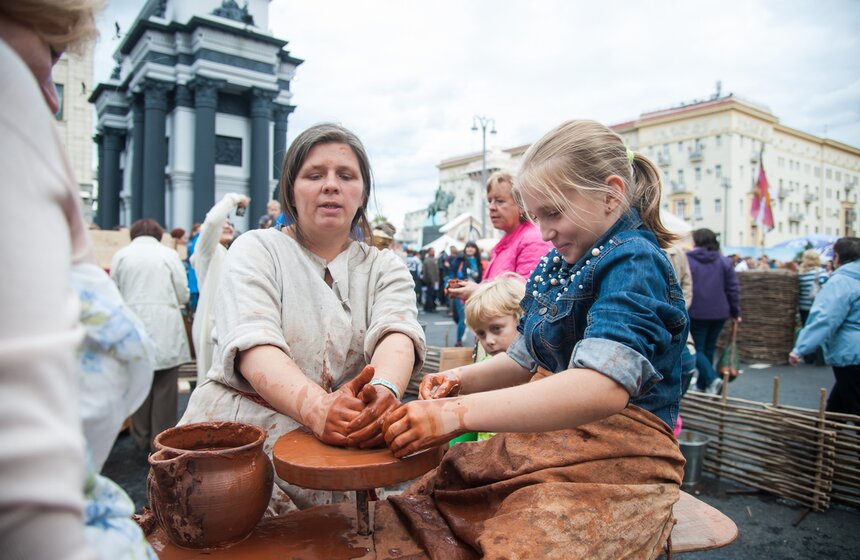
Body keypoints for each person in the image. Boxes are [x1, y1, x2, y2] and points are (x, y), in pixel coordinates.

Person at [382, 120, 688, 557]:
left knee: (523, 543)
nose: (544, 232)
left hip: (625, 458)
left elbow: (600, 388)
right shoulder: (556, 263)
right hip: (551, 441)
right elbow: (523, 360)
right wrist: (459, 382)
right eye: (536, 216)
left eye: (554, 214)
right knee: (430, 501)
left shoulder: (635, 263)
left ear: (611, 193)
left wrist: (457, 413)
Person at [179, 123, 426, 513]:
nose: (331, 186)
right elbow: (253, 341)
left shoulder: (384, 266)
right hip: (240, 445)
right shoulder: (256, 249)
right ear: (291, 189)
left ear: (362, 193)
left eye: (346, 176)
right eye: (315, 175)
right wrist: (314, 406)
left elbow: (396, 332)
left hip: (339, 449)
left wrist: (381, 391)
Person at [0, 1, 157, 558]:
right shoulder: (9, 91)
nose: (50, 95)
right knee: (159, 414)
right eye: (51, 56)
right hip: (65, 525)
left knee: (149, 423)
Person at [112, 218, 191, 451]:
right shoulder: (168, 255)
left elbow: (114, 291)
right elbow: (182, 293)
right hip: (165, 323)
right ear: (159, 234)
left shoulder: (122, 255)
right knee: (165, 387)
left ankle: (140, 436)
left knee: (138, 384)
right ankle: (162, 440)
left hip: (132, 323)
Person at [447, 171, 551, 302]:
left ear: (522, 205)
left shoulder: (533, 240)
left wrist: (477, 291)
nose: (491, 207)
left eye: (500, 201)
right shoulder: (510, 240)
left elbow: (525, 297)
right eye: (490, 201)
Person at [790, 237, 860, 415]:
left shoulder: (841, 281)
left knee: (853, 404)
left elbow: (825, 317)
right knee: (839, 405)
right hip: (853, 352)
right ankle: (824, 437)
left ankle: (826, 435)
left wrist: (801, 348)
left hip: (851, 353)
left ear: (837, 257)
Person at [190, 193, 249, 385]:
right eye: (224, 223)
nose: (227, 225)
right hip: (211, 327)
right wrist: (233, 200)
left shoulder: (229, 253)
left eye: (231, 224)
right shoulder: (207, 253)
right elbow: (212, 223)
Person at [686, 228, 741, 394]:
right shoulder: (724, 261)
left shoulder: (688, 260)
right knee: (708, 348)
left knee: (695, 349)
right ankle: (705, 385)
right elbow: (733, 289)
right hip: (719, 312)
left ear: (697, 241)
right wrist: (735, 312)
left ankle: (711, 380)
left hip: (696, 311)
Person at [448, 240, 484, 346]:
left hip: (475, 293)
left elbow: (480, 278)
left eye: (472, 247)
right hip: (461, 291)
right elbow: (451, 272)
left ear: (476, 250)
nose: (470, 249)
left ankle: (478, 341)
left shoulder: (478, 262)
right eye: (468, 246)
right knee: (463, 317)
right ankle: (459, 341)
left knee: (477, 317)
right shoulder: (460, 259)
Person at [797, 249, 828, 326]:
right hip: (817, 306)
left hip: (803, 307)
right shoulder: (821, 272)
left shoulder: (800, 273)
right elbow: (827, 290)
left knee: (805, 327)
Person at [422, 247, 439, 312]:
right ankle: (429, 307)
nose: (433, 252)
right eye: (432, 251)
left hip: (436, 281)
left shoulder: (434, 259)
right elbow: (428, 272)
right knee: (430, 294)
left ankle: (429, 306)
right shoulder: (427, 260)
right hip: (431, 281)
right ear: (428, 252)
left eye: (434, 251)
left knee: (434, 294)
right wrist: (430, 281)